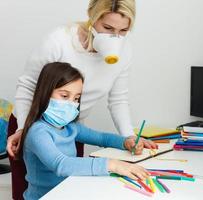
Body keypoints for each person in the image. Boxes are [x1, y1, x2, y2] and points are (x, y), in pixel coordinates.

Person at [7, 0, 157, 199]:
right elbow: (61, 164)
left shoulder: (72, 129)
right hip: (28, 124)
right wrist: (23, 129)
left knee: (70, 183)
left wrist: (128, 140)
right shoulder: (59, 40)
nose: (115, 36)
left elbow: (117, 103)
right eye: (108, 28)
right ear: (92, 17)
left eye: (123, 30)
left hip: (66, 124)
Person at [20, 62, 149, 200]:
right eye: (64, 96)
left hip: (69, 191)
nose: (71, 103)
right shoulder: (37, 132)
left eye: (76, 98)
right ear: (45, 93)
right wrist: (113, 165)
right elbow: (61, 164)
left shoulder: (71, 127)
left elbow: (101, 138)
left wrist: (126, 142)